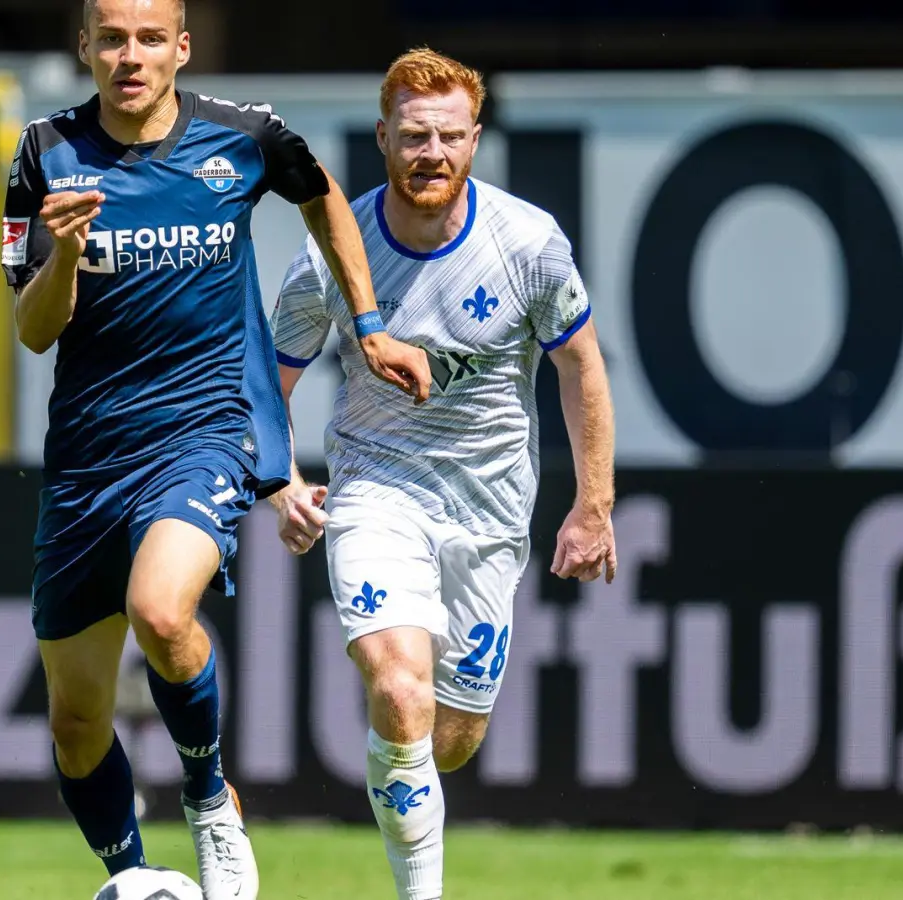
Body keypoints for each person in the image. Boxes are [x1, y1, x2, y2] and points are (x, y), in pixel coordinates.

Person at [1, 0, 432, 895]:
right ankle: (138, 880)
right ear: (83, 47)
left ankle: (208, 797)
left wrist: (369, 325)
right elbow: (34, 332)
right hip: (87, 456)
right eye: (112, 39)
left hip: (205, 428)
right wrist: (63, 259)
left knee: (161, 613)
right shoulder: (44, 154)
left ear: (181, 49)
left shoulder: (246, 137)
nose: (131, 56)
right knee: (76, 724)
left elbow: (325, 205)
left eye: (150, 39)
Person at [268, 49, 618, 900]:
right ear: (383, 137)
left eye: (449, 136)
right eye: (415, 135)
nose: (432, 153)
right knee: (397, 686)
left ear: (475, 139)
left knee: (448, 737)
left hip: (491, 512)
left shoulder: (527, 245)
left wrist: (593, 505)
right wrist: (279, 480)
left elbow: (582, 369)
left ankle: (404, 770)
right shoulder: (331, 254)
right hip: (376, 488)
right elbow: (266, 380)